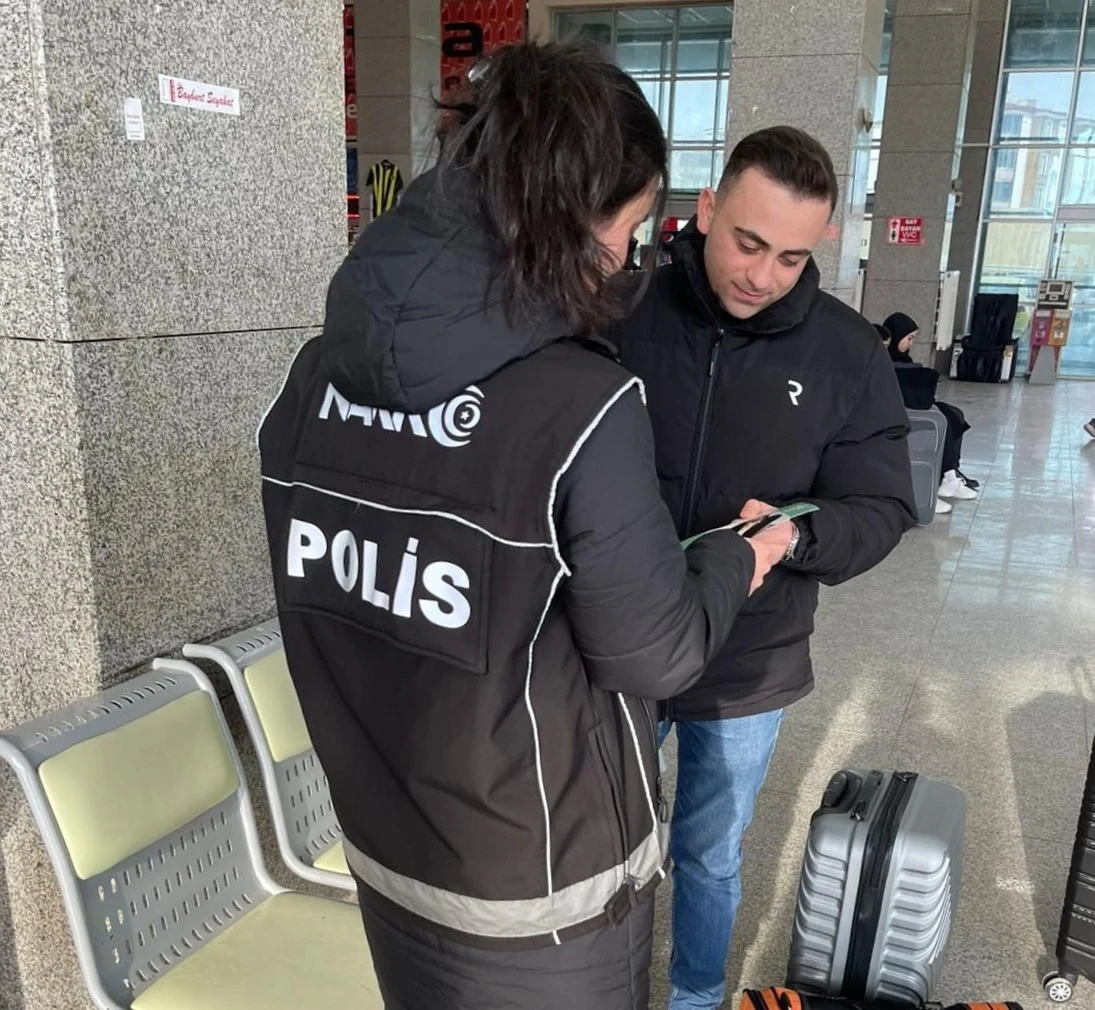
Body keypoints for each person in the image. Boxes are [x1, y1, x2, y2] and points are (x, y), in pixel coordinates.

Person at [258, 43, 791, 1010]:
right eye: (630, 226)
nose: (629, 255)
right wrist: (730, 559)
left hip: (387, 853)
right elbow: (656, 652)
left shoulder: (307, 384)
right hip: (542, 895)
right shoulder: (581, 406)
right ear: (576, 219)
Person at [614, 125, 918, 1010]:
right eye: (747, 243)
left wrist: (792, 537)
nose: (762, 275)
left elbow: (881, 506)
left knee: (709, 853)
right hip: (617, 641)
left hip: (748, 659)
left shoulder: (846, 352)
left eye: (790, 257)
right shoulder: (619, 311)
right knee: (600, 843)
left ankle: (696, 996)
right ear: (707, 209)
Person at [882, 312, 979, 507]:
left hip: (905, 405)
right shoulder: (882, 361)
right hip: (896, 411)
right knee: (942, 418)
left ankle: (951, 473)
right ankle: (948, 476)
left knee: (953, 414)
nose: (911, 343)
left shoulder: (902, 360)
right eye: (909, 338)